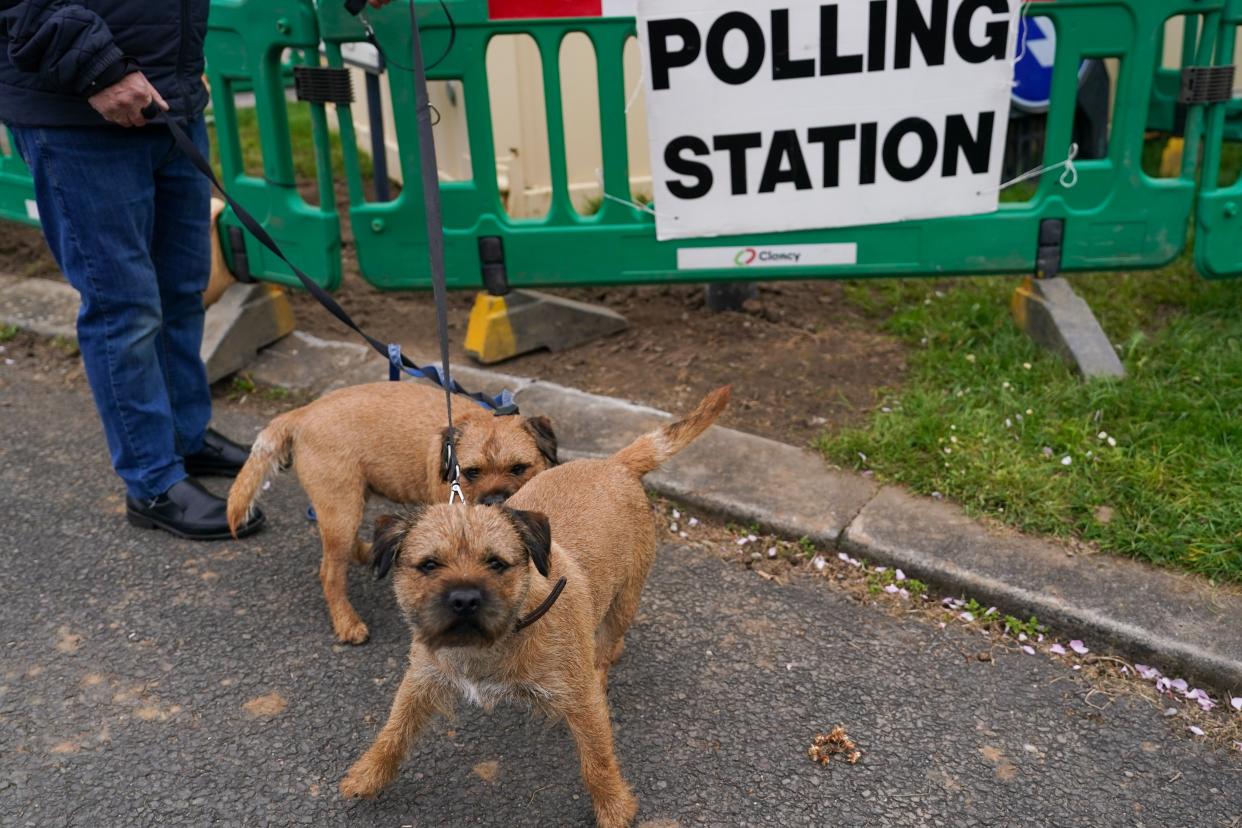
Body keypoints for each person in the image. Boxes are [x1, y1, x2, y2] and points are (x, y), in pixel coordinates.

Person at [0, 0, 391, 539]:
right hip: (79, 110)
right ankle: (152, 481)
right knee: (126, 309)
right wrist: (99, 68)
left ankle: (183, 437)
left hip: (167, 98)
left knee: (183, 287)